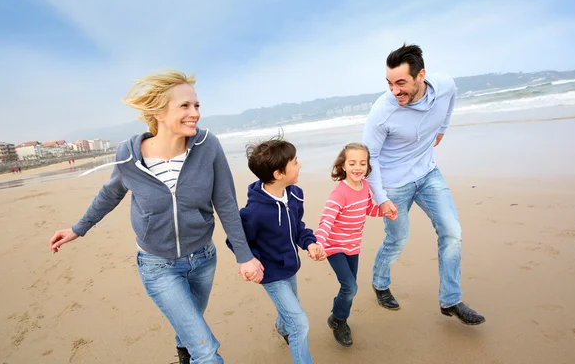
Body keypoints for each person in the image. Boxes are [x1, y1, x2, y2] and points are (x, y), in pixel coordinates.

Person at [48, 70, 264, 364]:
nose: (195, 113)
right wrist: (78, 229)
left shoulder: (207, 146)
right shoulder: (128, 155)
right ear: (160, 113)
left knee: (190, 327)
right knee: (207, 350)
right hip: (157, 265)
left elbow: (225, 202)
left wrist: (244, 255)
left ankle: (182, 354)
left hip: (202, 259)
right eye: (185, 106)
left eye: (197, 106)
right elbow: (111, 193)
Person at [363, 44, 485, 325]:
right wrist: (381, 198)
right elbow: (370, 159)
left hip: (428, 173)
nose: (395, 91)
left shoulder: (444, 85)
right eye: (390, 84)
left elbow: (452, 98)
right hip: (394, 183)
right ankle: (380, 282)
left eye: (401, 83)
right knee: (398, 238)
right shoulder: (382, 112)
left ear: (421, 76)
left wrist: (442, 129)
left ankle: (450, 300)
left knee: (452, 232)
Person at [227, 138, 326, 364]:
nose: (299, 165)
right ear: (278, 174)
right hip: (271, 274)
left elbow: (297, 226)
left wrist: (309, 243)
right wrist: (251, 261)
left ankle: (282, 327)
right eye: (294, 162)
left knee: (290, 308)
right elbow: (237, 240)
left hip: (290, 266)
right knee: (299, 323)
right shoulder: (254, 212)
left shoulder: (295, 194)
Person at [315, 143, 396, 347]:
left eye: (363, 163)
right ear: (343, 165)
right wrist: (319, 244)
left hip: (353, 247)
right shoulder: (339, 194)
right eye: (352, 163)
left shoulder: (365, 186)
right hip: (334, 247)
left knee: (348, 286)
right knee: (350, 286)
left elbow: (367, 208)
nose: (358, 167)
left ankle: (335, 315)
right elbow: (326, 221)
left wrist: (383, 211)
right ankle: (339, 322)